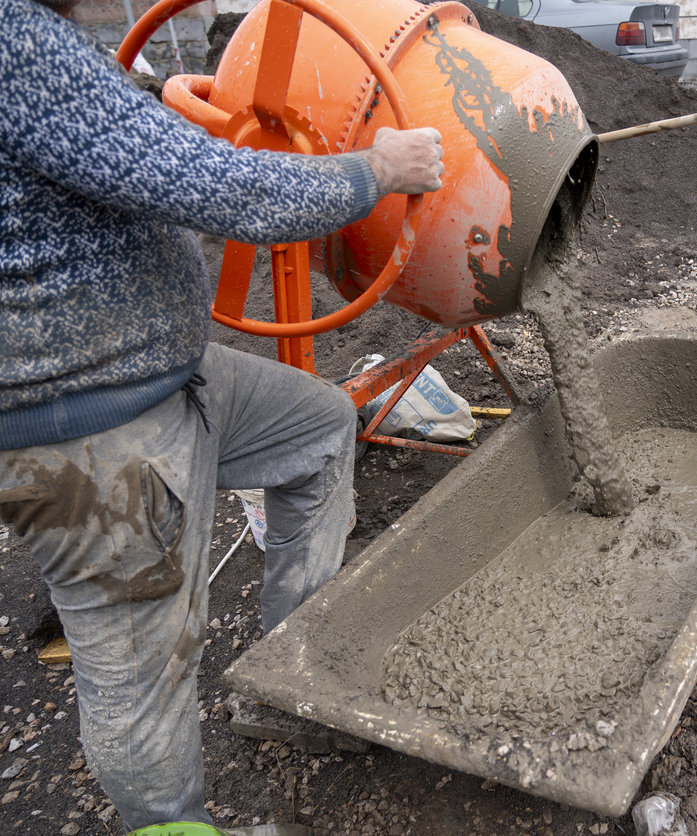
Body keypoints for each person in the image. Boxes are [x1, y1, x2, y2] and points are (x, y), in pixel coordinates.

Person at [0, 0, 444, 832]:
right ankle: (172, 825)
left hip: (165, 376)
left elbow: (137, 155)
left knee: (316, 426)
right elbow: (228, 187)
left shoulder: (48, 46)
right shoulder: (15, 43)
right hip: (81, 435)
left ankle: (289, 680)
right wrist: (374, 169)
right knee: (138, 666)